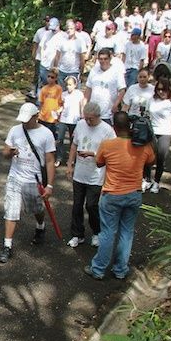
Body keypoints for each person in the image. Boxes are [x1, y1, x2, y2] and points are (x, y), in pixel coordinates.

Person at [86, 112, 156, 280]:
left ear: (114, 127)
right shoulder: (143, 146)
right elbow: (151, 161)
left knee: (108, 232)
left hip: (112, 194)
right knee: (126, 232)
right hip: (134, 194)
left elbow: (99, 162)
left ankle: (98, 269)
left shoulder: (107, 145)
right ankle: (120, 270)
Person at [0, 102, 56, 263]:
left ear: (36, 116)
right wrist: (10, 152)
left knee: (35, 208)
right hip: (15, 177)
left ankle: (40, 225)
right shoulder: (15, 131)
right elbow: (4, 152)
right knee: (11, 210)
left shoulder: (46, 134)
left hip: (33, 179)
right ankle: (7, 246)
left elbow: (50, 161)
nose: (24, 122)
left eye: (27, 119)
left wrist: (49, 185)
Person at [67, 102, 116, 248]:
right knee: (77, 205)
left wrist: (93, 154)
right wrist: (70, 164)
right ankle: (77, 234)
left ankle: (97, 232)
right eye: (86, 118)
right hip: (80, 172)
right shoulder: (81, 124)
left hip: (96, 174)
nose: (88, 122)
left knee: (92, 205)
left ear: (98, 116)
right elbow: (74, 144)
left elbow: (112, 153)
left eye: (91, 119)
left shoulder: (107, 130)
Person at [144, 78, 171, 193]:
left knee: (160, 158)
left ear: (169, 90)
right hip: (151, 132)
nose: (161, 92)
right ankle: (146, 179)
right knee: (147, 157)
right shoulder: (151, 100)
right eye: (159, 89)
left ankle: (156, 182)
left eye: (164, 90)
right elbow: (146, 115)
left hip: (165, 132)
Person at [85, 49, 126, 124]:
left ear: (110, 59)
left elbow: (122, 90)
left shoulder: (117, 72)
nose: (103, 61)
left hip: (108, 112)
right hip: (93, 111)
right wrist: (85, 105)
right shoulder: (94, 70)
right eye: (100, 59)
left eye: (105, 59)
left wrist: (116, 105)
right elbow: (88, 89)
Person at [55, 76, 85, 167]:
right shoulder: (63, 94)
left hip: (75, 120)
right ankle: (59, 158)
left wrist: (82, 117)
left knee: (74, 141)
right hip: (63, 119)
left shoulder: (79, 94)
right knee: (59, 139)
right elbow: (62, 106)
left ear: (75, 85)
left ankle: (72, 159)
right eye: (67, 85)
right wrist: (58, 111)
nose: (68, 87)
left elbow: (81, 106)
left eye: (70, 85)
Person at [51, 19, 87, 87]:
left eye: (71, 28)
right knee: (60, 92)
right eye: (68, 28)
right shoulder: (62, 40)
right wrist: (55, 68)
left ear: (75, 29)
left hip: (74, 71)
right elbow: (57, 56)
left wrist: (81, 72)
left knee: (73, 93)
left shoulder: (80, 42)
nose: (69, 30)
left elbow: (82, 59)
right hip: (62, 70)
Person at [33, 17, 60, 96]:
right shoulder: (46, 34)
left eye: (54, 29)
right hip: (44, 65)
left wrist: (57, 65)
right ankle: (40, 103)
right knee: (42, 85)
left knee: (54, 86)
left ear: (58, 26)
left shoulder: (63, 36)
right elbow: (40, 46)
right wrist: (40, 59)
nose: (52, 31)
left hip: (55, 66)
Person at [37, 69, 63, 138]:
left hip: (52, 118)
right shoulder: (44, 89)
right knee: (40, 135)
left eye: (52, 77)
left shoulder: (59, 89)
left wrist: (58, 115)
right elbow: (41, 102)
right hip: (43, 116)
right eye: (48, 76)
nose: (50, 79)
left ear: (56, 78)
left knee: (50, 136)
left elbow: (60, 103)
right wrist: (39, 114)